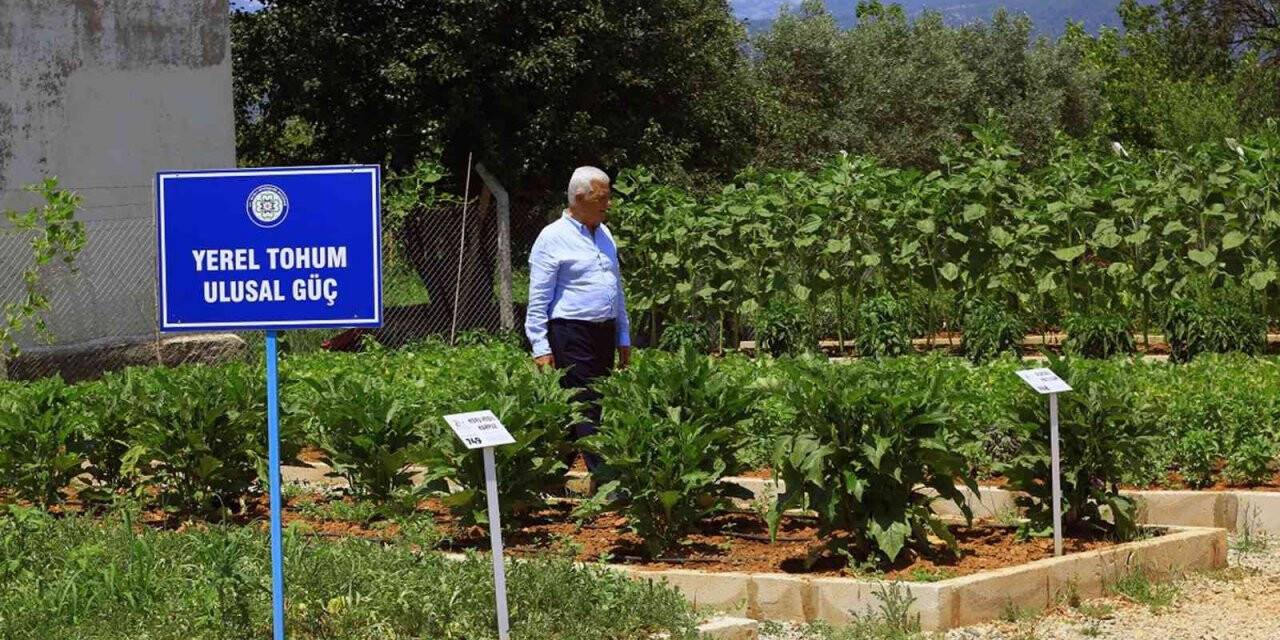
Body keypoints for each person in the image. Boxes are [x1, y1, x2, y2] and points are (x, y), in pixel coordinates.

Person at [525, 166, 631, 472]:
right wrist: (540, 347)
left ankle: (544, 476)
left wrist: (623, 336)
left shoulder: (606, 234)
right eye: (603, 197)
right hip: (570, 332)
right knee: (587, 405)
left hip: (603, 333)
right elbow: (538, 299)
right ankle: (610, 483)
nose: (608, 204)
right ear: (580, 197)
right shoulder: (552, 237)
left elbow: (616, 288)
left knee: (583, 406)